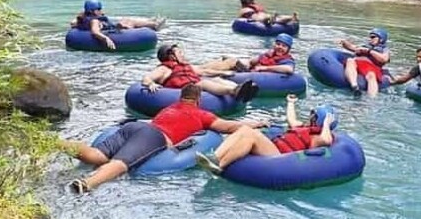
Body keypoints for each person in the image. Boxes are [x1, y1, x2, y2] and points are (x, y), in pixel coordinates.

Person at [66, 83, 270, 193]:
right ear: (198, 100)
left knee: (96, 155)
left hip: (134, 127)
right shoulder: (201, 114)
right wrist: (254, 124)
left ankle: (53, 143)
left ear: (181, 97)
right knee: (120, 164)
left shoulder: (168, 108)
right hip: (153, 136)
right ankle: (88, 184)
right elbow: (229, 127)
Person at [196, 94, 336, 174]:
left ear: (320, 120)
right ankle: (215, 158)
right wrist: (290, 103)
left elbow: (326, 140)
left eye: (314, 115)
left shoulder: (317, 138)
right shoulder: (303, 128)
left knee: (252, 135)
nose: (310, 116)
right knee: (245, 131)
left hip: (281, 158)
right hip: (275, 148)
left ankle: (220, 164)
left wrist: (326, 124)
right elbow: (291, 119)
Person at [142, 43, 259, 102]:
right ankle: (234, 91)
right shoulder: (164, 69)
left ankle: (243, 90)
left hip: (194, 85)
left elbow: (204, 71)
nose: (183, 54)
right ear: (171, 57)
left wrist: (223, 73)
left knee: (216, 80)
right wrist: (151, 84)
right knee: (202, 84)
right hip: (183, 91)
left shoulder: (186, 66)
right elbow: (147, 78)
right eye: (179, 53)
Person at [69, 0, 166, 50]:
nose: (101, 11)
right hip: (111, 32)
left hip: (108, 29)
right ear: (93, 11)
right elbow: (95, 32)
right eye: (98, 9)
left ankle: (150, 22)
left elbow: (73, 23)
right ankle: (154, 25)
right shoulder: (94, 21)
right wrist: (106, 39)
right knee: (128, 21)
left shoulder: (83, 18)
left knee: (126, 21)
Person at [339, 28, 391, 97]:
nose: (370, 39)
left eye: (373, 37)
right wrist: (345, 43)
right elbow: (352, 47)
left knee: (371, 75)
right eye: (370, 37)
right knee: (350, 60)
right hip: (357, 62)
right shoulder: (365, 46)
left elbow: (384, 59)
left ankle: (371, 99)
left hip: (371, 67)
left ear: (381, 39)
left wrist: (369, 51)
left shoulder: (384, 50)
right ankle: (355, 86)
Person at [212, 33, 296, 74]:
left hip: (260, 77)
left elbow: (289, 69)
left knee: (231, 62)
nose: (280, 47)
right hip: (250, 72)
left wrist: (265, 68)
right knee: (228, 59)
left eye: (284, 46)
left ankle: (210, 71)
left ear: (288, 49)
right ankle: (211, 70)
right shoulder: (269, 54)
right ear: (274, 44)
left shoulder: (286, 60)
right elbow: (252, 61)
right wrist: (244, 63)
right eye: (278, 44)